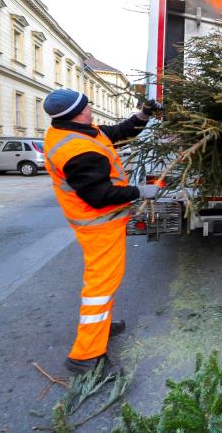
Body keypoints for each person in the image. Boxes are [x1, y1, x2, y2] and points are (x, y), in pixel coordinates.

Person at [42, 89, 162, 373]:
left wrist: (143, 115)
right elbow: (99, 195)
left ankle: (101, 326)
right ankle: (86, 355)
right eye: (87, 106)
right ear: (78, 112)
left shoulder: (77, 131)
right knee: (101, 286)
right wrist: (140, 191)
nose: (91, 108)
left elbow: (117, 132)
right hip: (99, 225)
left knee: (105, 282)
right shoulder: (77, 150)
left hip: (102, 222)